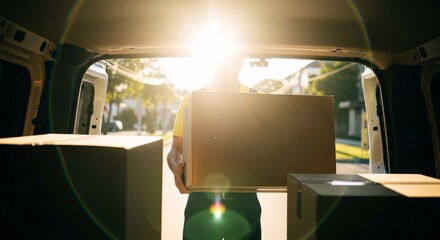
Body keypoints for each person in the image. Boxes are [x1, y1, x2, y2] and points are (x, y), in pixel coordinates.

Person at [167, 55, 262, 240]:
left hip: (245, 202)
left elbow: (271, 148)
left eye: (232, 59)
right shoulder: (192, 99)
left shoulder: (257, 100)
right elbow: (175, 149)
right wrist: (175, 169)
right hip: (201, 200)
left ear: (241, 62)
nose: (226, 65)